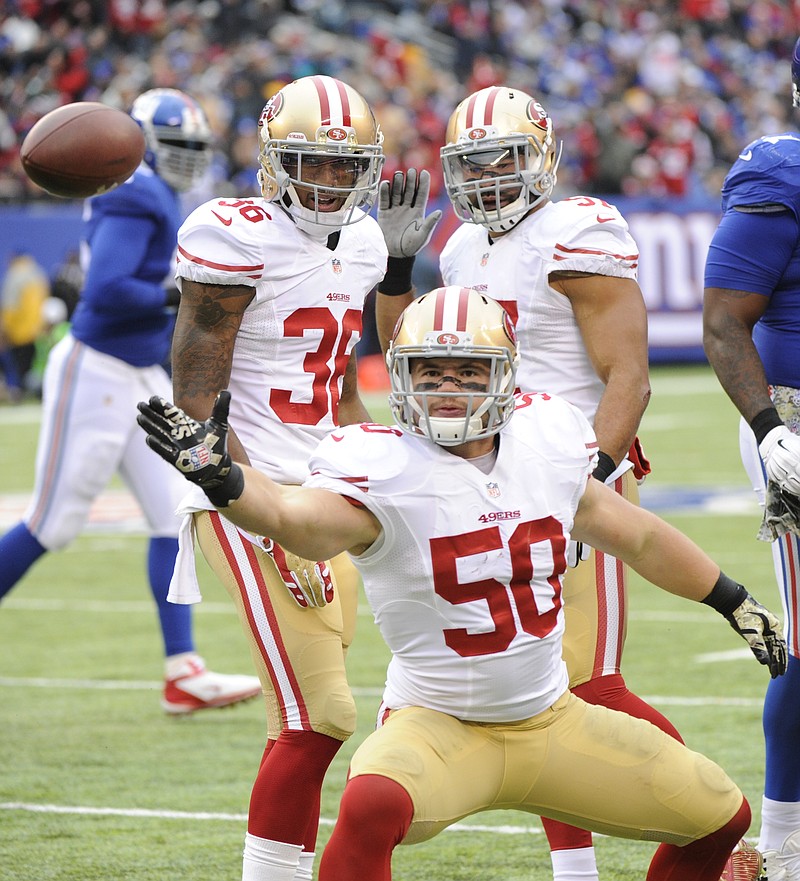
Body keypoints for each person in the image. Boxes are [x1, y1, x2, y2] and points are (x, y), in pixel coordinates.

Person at [137, 286, 787, 881]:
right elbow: (295, 522)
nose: (448, 385)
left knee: (720, 816)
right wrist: (227, 483)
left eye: (470, 370)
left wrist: (734, 600)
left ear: (505, 378)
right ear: (400, 378)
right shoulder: (383, 468)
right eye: (429, 370)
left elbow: (639, 535)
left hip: (552, 721)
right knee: (368, 805)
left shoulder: (544, 445)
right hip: (438, 726)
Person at [375, 85, 707, 881]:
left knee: (586, 686)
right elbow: (408, 357)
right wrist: (394, 269)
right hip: (491, 487)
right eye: (473, 163)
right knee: (541, 692)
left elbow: (627, 376)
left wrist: (581, 489)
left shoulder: (578, 229)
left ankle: (704, 818)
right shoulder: (458, 252)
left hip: (571, 485)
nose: (489, 175)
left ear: (543, 158)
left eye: (505, 158)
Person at [166, 75, 387, 881]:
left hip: (330, 489)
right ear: (270, 160)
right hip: (245, 489)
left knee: (299, 712)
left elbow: (343, 382)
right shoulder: (231, 234)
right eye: (309, 163)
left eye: (344, 167)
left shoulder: (363, 243)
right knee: (320, 713)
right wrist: (267, 512)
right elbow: (197, 394)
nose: (329, 182)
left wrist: (378, 464)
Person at [0, 88, 261, 714]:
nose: (188, 157)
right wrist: (188, 292)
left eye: (196, 147)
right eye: (176, 145)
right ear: (135, 141)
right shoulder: (135, 189)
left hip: (140, 374)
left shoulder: (155, 192)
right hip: (97, 370)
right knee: (54, 524)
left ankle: (183, 669)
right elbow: (110, 289)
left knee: (172, 513)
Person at [703, 37, 800, 881]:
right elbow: (725, 319)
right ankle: (786, 842)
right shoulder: (779, 171)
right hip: (798, 418)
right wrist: (771, 427)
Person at [0, 250, 49, 400]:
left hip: (18, 332)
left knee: (17, 367)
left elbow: (10, 306)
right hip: (37, 332)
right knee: (29, 365)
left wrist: (5, 328)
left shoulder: (14, 276)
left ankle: (17, 392)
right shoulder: (38, 274)